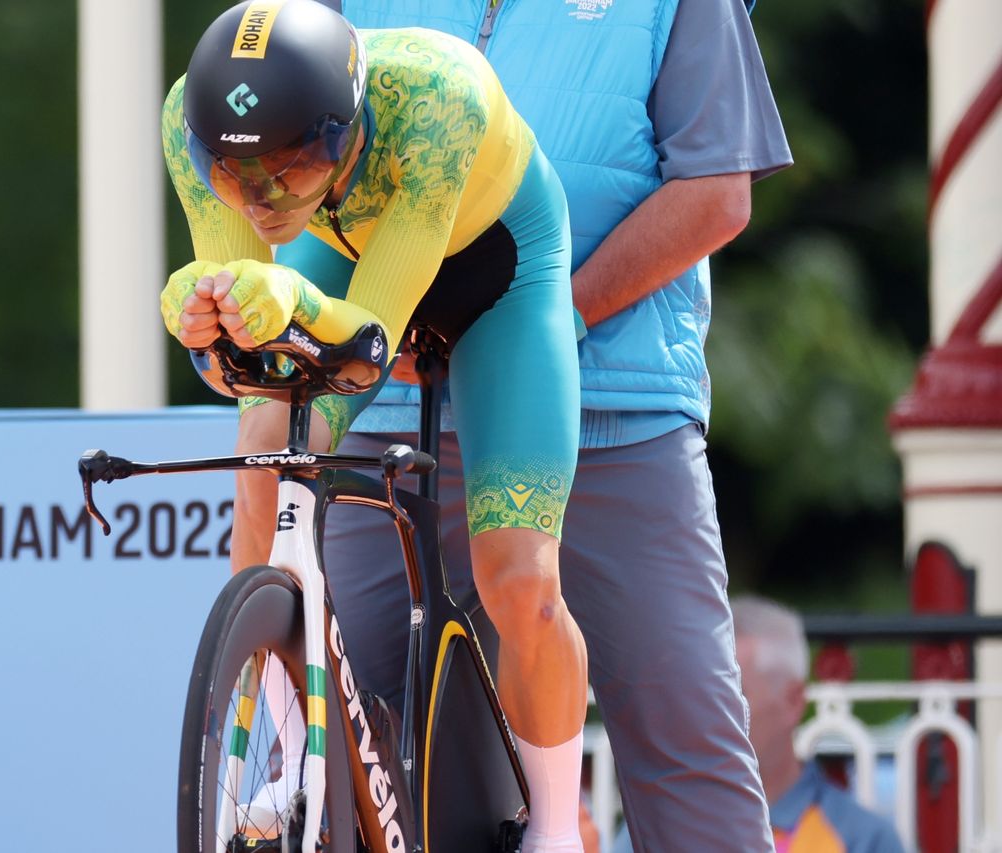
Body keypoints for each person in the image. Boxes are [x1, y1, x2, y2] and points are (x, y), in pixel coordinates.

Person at [310, 0, 794, 850]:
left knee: (687, 753)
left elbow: (717, 193)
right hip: (388, 414)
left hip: (619, 410)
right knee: (335, 746)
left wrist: (543, 328)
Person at [160, 1, 589, 848]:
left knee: (518, 578)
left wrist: (281, 305)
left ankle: (556, 823)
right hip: (346, 256)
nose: (262, 199)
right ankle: (280, 748)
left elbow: (365, 344)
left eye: (290, 165)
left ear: (344, 132)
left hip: (495, 266)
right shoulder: (188, 122)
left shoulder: (439, 96)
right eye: (235, 177)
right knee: (263, 456)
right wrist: (208, 322)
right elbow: (238, 366)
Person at [732, 596, 905, 852]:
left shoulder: (862, 839)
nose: (707, 714)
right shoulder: (668, 822)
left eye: (735, 694)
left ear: (792, 701)